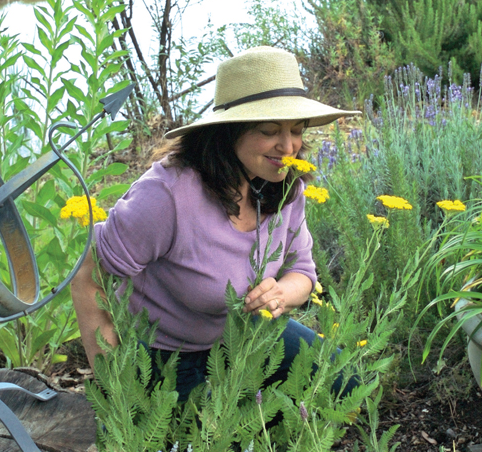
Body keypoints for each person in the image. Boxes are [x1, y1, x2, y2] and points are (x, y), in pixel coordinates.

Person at [71, 46, 361, 402]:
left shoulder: (285, 186)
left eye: (297, 130)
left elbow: (303, 272)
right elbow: (89, 274)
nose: (288, 147)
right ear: (228, 132)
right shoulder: (169, 195)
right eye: (271, 130)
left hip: (242, 334)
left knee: (345, 382)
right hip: (163, 353)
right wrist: (113, 384)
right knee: (216, 445)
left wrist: (282, 293)